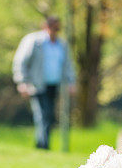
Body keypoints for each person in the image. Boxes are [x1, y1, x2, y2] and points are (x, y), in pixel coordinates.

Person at [12, 16, 76, 149]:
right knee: (43, 114)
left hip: (54, 85)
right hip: (37, 85)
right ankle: (42, 145)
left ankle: (42, 143)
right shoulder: (34, 41)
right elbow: (20, 62)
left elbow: (67, 65)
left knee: (49, 116)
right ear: (45, 26)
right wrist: (22, 82)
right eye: (53, 27)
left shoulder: (61, 45)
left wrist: (71, 82)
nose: (55, 31)